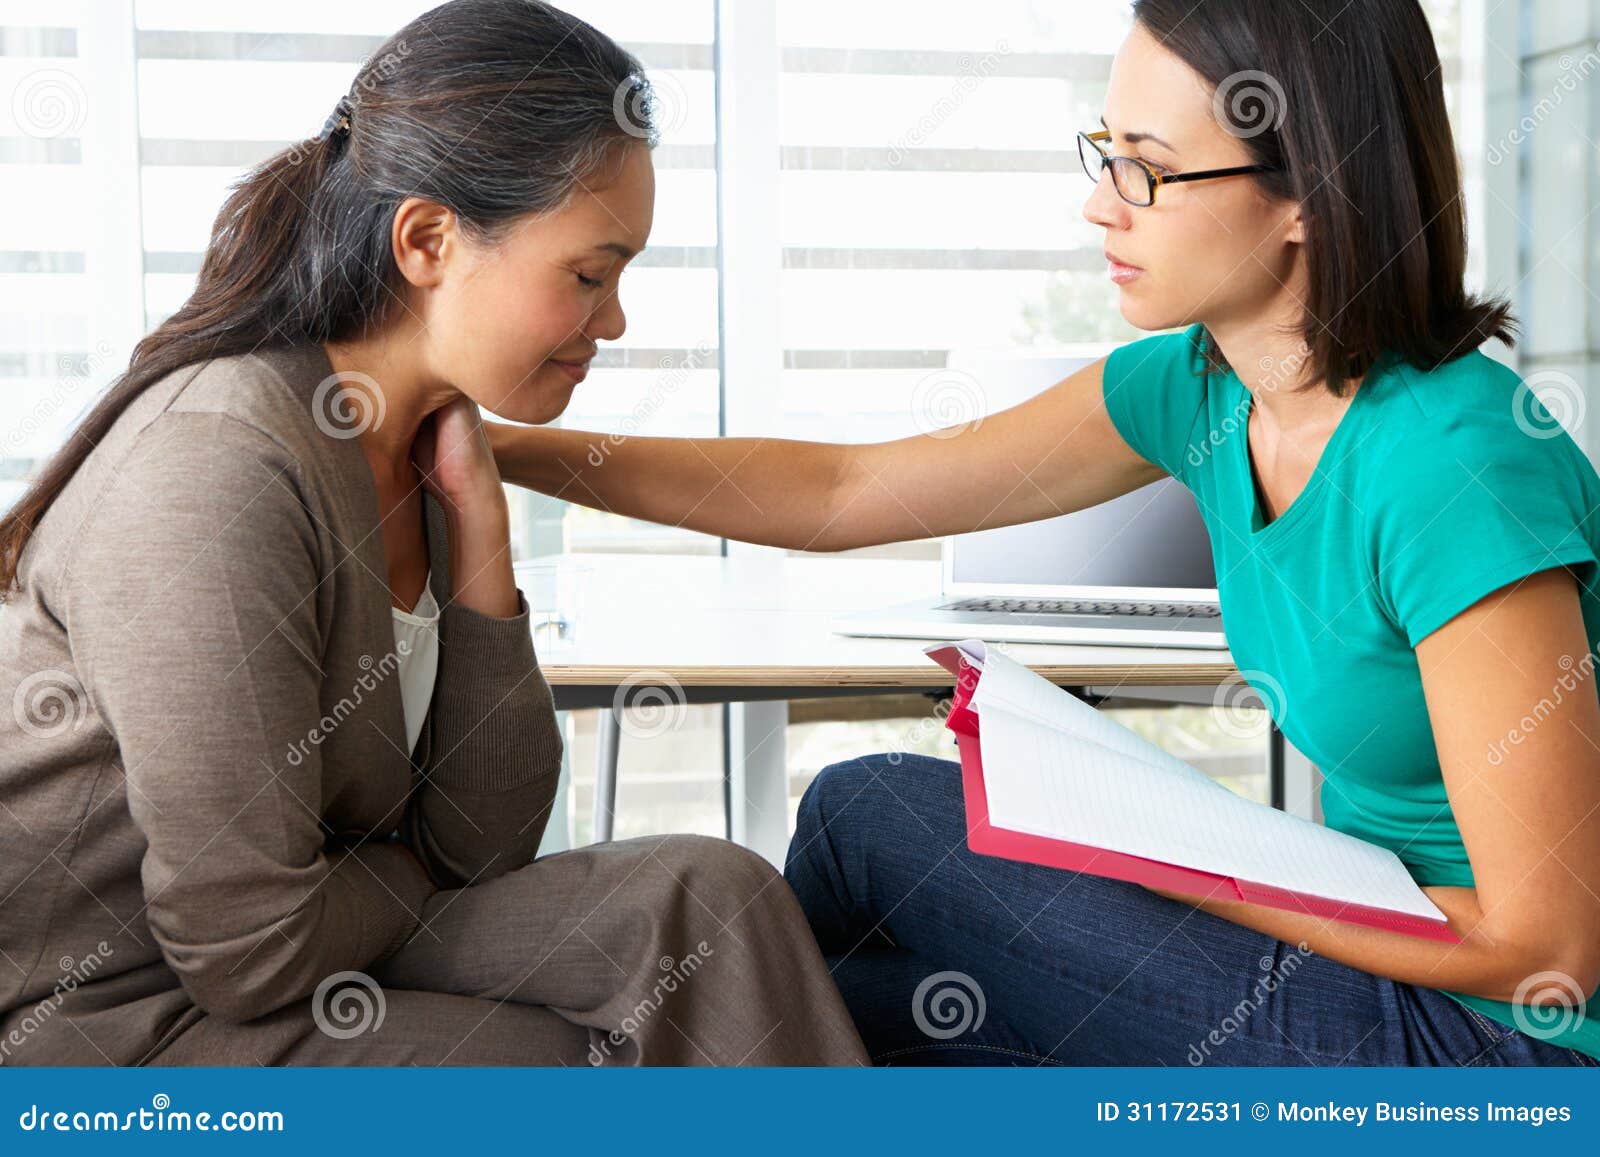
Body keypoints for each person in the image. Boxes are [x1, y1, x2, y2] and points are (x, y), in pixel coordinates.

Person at [483, 0, 1600, 1065]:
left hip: (1504, 1046)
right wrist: (505, 451)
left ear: (1308, 191)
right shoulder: (1201, 392)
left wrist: (1170, 859)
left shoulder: (1450, 467)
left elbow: (1546, 945)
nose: (1101, 203)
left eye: (1147, 167)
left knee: (863, 811)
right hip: (1365, 985)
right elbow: (842, 492)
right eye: (1103, 151)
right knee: (851, 1019)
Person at [0, 0, 868, 1067]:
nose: (615, 321)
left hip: (304, 954)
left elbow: (481, 842)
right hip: (116, 1023)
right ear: (427, 240)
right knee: (555, 1059)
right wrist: (403, 865)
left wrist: (483, 549)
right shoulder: (217, 467)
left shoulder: (425, 450)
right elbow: (247, 946)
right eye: (588, 275)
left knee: (708, 896)